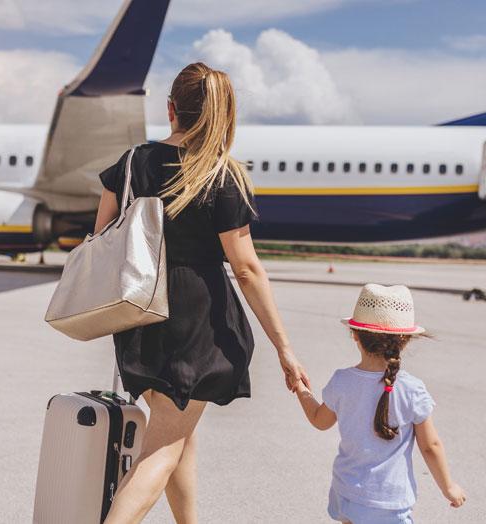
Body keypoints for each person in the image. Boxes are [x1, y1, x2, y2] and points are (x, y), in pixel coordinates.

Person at [96, 63, 309, 523]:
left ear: (170, 109)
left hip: (140, 315)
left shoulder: (131, 163)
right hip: (197, 326)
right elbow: (247, 269)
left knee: (177, 436)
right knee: (164, 447)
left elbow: (103, 236)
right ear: (223, 115)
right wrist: (285, 349)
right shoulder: (220, 174)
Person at [294, 284, 466, 523]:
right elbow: (430, 446)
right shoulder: (411, 389)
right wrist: (448, 487)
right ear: (405, 340)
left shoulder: (342, 381)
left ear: (355, 335)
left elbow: (319, 421)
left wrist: (301, 389)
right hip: (389, 501)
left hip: (347, 493)